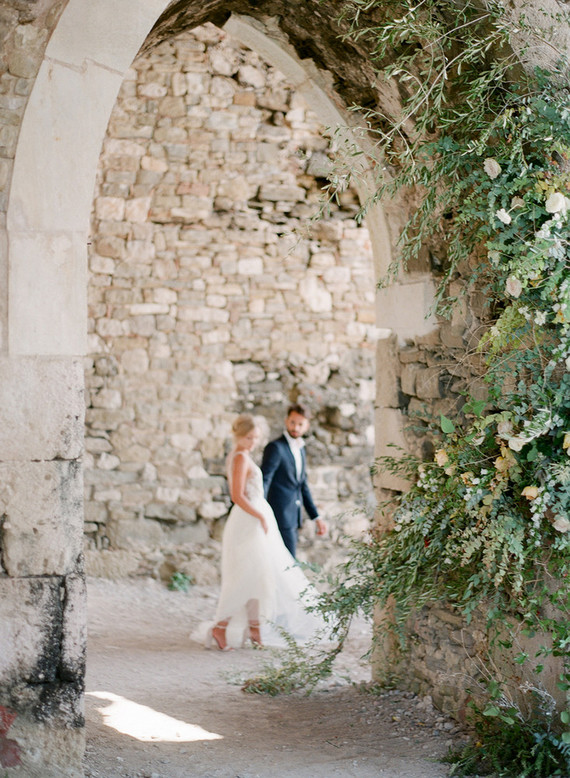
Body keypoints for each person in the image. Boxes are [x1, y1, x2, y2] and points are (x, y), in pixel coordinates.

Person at [198, 413, 326, 651]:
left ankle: (255, 630)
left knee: (261, 576)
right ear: (238, 435)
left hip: (254, 519)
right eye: (249, 437)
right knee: (246, 575)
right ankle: (221, 626)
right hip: (247, 521)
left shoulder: (244, 455)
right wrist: (259, 516)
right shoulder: (239, 457)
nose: (253, 442)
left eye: (256, 438)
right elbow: (237, 496)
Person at [261, 404, 327, 558]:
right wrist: (261, 511)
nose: (295, 427)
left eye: (300, 424)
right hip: (278, 514)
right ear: (286, 421)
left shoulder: (301, 449)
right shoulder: (275, 447)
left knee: (285, 563)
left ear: (307, 426)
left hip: (294, 516)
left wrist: (316, 517)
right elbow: (265, 480)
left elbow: (302, 485)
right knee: (287, 564)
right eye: (292, 422)